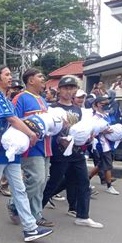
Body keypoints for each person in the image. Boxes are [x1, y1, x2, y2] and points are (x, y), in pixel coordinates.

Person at [0, 65, 53, 241]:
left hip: (11, 149)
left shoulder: (6, 96)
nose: (10, 77)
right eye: (7, 75)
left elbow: (14, 120)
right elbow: (11, 118)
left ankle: (30, 228)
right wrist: (30, 132)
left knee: (19, 189)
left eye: (11, 74)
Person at [42, 75, 103, 228]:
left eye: (72, 88)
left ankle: (83, 215)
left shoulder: (79, 110)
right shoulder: (52, 108)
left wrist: (88, 138)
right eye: (65, 88)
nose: (69, 91)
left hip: (77, 152)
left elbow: (83, 130)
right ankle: (33, 210)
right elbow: (49, 130)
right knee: (53, 183)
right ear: (59, 90)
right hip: (59, 152)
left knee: (83, 182)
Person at [11, 68, 54, 227]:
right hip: (31, 147)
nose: (44, 79)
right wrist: (31, 129)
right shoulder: (20, 98)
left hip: (46, 146)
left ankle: (34, 213)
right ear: (30, 80)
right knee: (36, 180)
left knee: (42, 182)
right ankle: (16, 204)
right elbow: (13, 120)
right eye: (40, 76)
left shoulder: (43, 100)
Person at [88, 96, 120, 195]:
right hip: (102, 144)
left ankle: (85, 179)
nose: (106, 104)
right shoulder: (95, 117)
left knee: (101, 164)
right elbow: (92, 131)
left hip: (109, 143)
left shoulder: (106, 115)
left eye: (107, 102)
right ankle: (109, 186)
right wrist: (103, 130)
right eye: (103, 103)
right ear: (97, 104)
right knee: (107, 165)